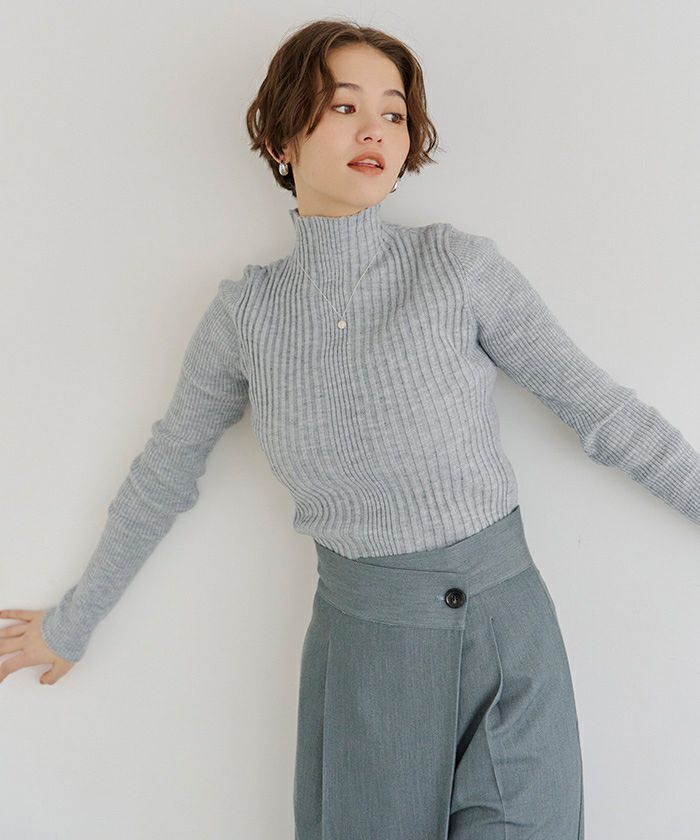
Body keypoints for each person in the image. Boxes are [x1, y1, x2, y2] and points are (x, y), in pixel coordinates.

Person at [1, 18, 698, 840]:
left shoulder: (458, 268)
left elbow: (606, 414)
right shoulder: (246, 317)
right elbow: (166, 472)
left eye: (393, 114)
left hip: (509, 649)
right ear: (282, 137)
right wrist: (73, 621)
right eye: (343, 106)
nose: (375, 129)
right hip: (366, 664)